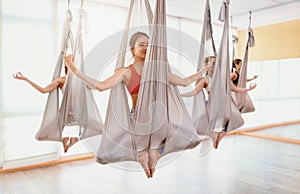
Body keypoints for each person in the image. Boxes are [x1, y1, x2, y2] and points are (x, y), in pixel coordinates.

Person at [64, 31, 209, 178]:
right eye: (141, 44)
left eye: (148, 44)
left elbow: (184, 82)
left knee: (170, 131)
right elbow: (101, 86)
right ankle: (149, 153)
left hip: (159, 119)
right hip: (140, 119)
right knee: (145, 141)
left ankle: (151, 153)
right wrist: (75, 72)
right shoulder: (126, 72)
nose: (146, 47)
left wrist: (204, 71)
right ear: (132, 49)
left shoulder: (157, 71)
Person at [181, 56, 257, 149]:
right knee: (207, 124)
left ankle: (219, 135)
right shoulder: (205, 80)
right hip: (213, 105)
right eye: (213, 63)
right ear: (207, 66)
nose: (215, 65)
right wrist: (181, 95)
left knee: (238, 121)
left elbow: (235, 89)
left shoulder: (223, 78)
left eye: (216, 63)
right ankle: (214, 134)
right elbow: (194, 92)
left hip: (224, 103)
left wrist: (248, 89)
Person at [13, 65, 79, 153]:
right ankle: (62, 139)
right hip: (65, 116)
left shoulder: (81, 80)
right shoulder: (61, 80)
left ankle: (75, 140)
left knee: (98, 129)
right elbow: (43, 90)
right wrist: (26, 79)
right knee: (39, 136)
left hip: (79, 115)